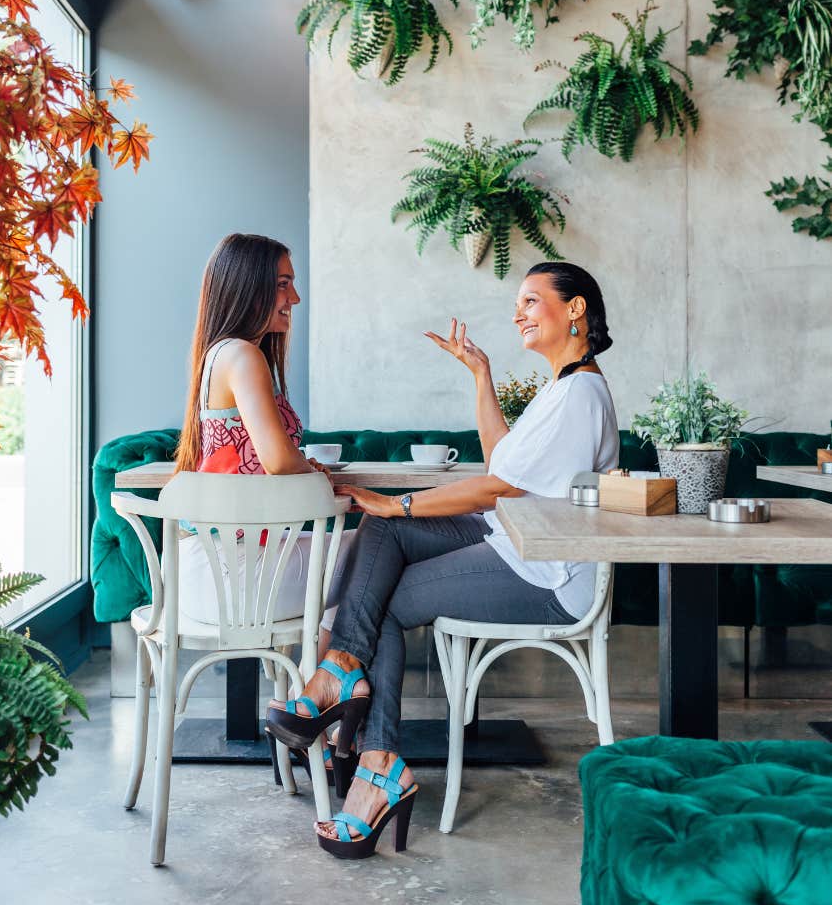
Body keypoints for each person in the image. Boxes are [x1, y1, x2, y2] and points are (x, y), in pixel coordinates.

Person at [266, 261, 619, 858]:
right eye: (519, 304)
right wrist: (480, 375)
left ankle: (368, 750)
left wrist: (402, 501)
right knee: (380, 533)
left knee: (382, 591)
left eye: (532, 301)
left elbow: (496, 487)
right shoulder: (560, 387)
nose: (518, 314)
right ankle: (347, 689)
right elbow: (501, 459)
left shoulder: (582, 394)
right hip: (513, 545)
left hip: (551, 574)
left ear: (576, 309)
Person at [175, 231, 353, 670]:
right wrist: (316, 475)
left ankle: (323, 687)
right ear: (245, 285)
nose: (294, 296)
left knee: (366, 564)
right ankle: (323, 688)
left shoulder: (221, 354)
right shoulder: (242, 355)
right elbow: (276, 460)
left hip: (211, 569)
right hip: (237, 576)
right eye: (281, 283)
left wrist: (304, 467)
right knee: (379, 548)